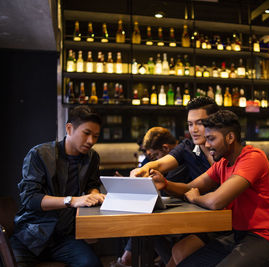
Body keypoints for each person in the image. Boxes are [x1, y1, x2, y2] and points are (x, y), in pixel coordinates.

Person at [132, 97, 269, 266]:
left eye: (211, 138)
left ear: (229, 137)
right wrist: (165, 183)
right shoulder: (222, 163)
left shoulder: (251, 157)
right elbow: (190, 187)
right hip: (239, 234)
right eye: (190, 124)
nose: (207, 143)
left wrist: (196, 198)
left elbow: (215, 201)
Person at [9, 105, 105, 267]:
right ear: (69, 128)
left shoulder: (92, 158)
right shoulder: (39, 154)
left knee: (91, 264)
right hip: (31, 235)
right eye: (86, 133)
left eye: (95, 136)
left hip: (63, 238)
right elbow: (30, 199)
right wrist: (72, 200)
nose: (91, 141)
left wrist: (94, 194)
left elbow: (92, 184)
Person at [114, 127, 189, 267]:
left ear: (166, 148)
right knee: (141, 228)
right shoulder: (153, 161)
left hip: (183, 216)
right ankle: (127, 260)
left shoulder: (184, 159)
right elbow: (145, 172)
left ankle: (126, 260)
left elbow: (167, 189)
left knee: (144, 229)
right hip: (166, 213)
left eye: (154, 156)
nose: (152, 160)